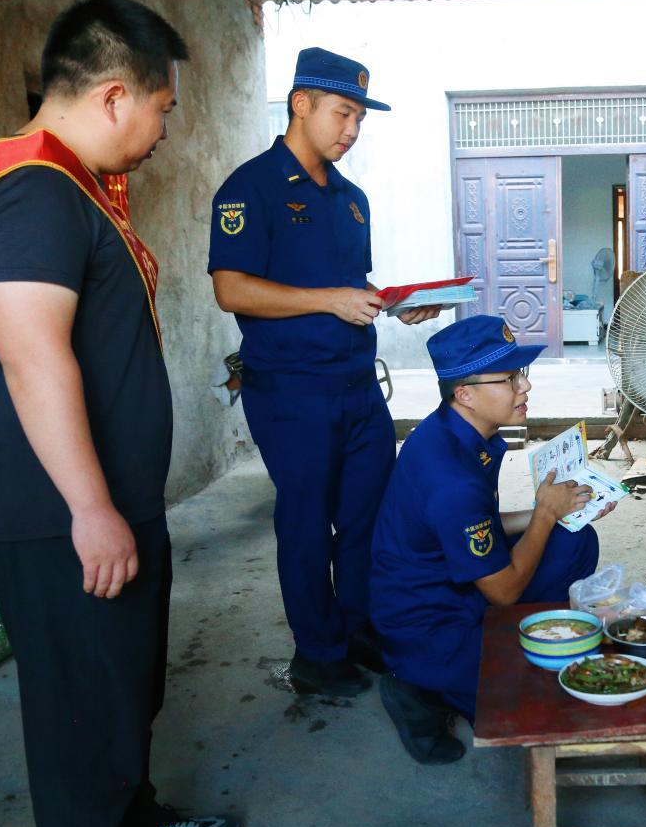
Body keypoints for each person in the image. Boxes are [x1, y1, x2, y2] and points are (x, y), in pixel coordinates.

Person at [0, 0, 239, 827]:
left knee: (122, 691)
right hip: (58, 513)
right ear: (115, 95)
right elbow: (32, 353)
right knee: (78, 719)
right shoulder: (32, 188)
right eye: (162, 108)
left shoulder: (74, 189)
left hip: (107, 502)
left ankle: (135, 826)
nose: (163, 132)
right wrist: (89, 506)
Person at [208, 48, 440, 699]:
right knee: (307, 523)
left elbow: (347, 286)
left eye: (360, 118)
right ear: (301, 103)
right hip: (292, 391)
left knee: (368, 516)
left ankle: (357, 629)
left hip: (357, 386)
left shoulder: (351, 199)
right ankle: (316, 653)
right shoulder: (250, 188)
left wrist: (393, 303)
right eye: (343, 113)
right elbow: (231, 288)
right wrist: (329, 301)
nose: (352, 130)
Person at [370, 316, 614, 764]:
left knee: (576, 538)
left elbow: (474, 525)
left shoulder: (454, 431)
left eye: (522, 374)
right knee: (529, 707)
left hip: (458, 586)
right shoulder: (450, 479)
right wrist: (544, 513)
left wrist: (553, 511)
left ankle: (495, 655)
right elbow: (503, 592)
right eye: (509, 379)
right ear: (465, 394)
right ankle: (418, 689)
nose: (525, 386)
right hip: (430, 626)